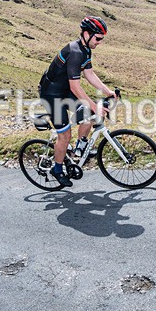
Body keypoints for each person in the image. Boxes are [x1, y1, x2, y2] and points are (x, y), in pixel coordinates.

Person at [38, 16, 115, 187]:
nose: (100, 42)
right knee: (65, 135)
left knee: (89, 112)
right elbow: (75, 87)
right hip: (51, 95)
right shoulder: (75, 52)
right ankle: (57, 169)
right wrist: (94, 105)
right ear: (87, 34)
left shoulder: (85, 50)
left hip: (64, 91)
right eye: (98, 38)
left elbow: (89, 74)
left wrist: (107, 91)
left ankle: (80, 147)